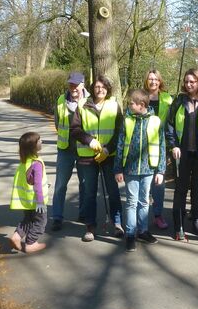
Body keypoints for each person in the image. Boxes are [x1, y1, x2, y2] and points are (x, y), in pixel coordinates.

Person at [114, 89, 166, 252]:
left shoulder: (156, 121)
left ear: (141, 105)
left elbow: (162, 146)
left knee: (144, 201)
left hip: (149, 169)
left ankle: (142, 231)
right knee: (131, 202)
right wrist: (118, 169)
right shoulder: (127, 120)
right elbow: (120, 145)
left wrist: (161, 170)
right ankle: (130, 234)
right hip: (130, 169)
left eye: (131, 103)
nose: (129, 105)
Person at [166, 69, 198, 239]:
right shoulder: (179, 101)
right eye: (186, 81)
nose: (189, 84)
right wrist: (173, 145)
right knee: (180, 188)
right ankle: (178, 223)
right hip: (182, 153)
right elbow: (169, 125)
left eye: (192, 81)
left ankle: (197, 220)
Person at [78, 76, 124, 242]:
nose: (100, 89)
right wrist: (89, 140)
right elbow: (75, 129)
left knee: (113, 191)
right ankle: (90, 226)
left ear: (108, 88)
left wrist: (107, 149)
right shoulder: (82, 104)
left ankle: (117, 223)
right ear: (92, 88)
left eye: (103, 87)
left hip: (108, 156)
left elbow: (120, 130)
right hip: (87, 157)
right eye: (97, 86)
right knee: (89, 193)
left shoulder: (114, 104)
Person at [51, 72, 95, 231]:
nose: (73, 88)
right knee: (60, 185)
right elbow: (57, 123)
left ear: (83, 85)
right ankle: (57, 217)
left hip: (84, 149)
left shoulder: (90, 101)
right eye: (71, 84)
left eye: (76, 85)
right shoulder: (61, 100)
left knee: (85, 184)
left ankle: (83, 214)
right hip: (65, 150)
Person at [144, 69, 173, 229]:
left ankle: (158, 215)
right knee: (144, 183)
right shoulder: (141, 97)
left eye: (156, 79)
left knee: (159, 183)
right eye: (150, 79)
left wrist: (170, 147)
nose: (153, 82)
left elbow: (172, 122)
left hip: (161, 145)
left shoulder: (168, 99)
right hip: (142, 145)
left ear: (160, 81)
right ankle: (140, 218)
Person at [9, 132, 48, 253]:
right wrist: (40, 202)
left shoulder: (25, 161)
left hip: (27, 200)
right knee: (40, 221)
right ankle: (31, 243)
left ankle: (16, 236)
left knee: (28, 220)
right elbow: (36, 185)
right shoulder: (36, 163)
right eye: (39, 141)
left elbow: (29, 180)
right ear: (33, 146)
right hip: (36, 201)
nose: (42, 142)